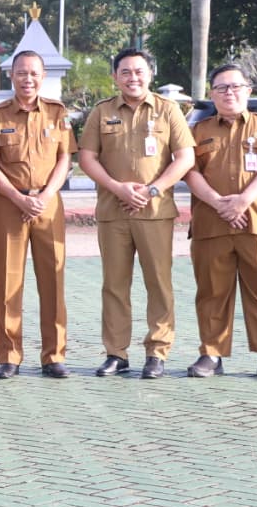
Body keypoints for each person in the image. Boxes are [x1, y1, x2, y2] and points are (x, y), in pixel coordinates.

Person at [77, 49, 195, 379]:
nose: (133, 77)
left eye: (139, 71)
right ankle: (116, 353)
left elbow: (185, 158)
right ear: (115, 76)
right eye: (125, 72)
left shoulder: (168, 110)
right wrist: (118, 188)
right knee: (114, 285)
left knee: (159, 283)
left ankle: (157, 352)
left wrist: (152, 190)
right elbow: (87, 158)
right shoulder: (102, 112)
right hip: (113, 212)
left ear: (150, 74)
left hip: (154, 212)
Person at [184, 64, 257, 381]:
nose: (229, 93)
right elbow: (189, 172)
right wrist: (218, 203)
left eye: (235, 86)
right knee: (211, 291)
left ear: (248, 90)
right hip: (211, 222)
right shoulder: (198, 130)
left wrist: (243, 200)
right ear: (212, 94)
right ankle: (211, 354)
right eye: (221, 88)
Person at [0, 51, 74, 379]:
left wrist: (45, 196)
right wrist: (18, 198)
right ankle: (9, 356)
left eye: (34, 73)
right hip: (10, 204)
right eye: (21, 72)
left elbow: (65, 158)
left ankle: (54, 355)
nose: (28, 79)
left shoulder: (57, 113)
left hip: (48, 204)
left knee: (53, 282)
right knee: (8, 283)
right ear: (11, 75)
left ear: (43, 75)